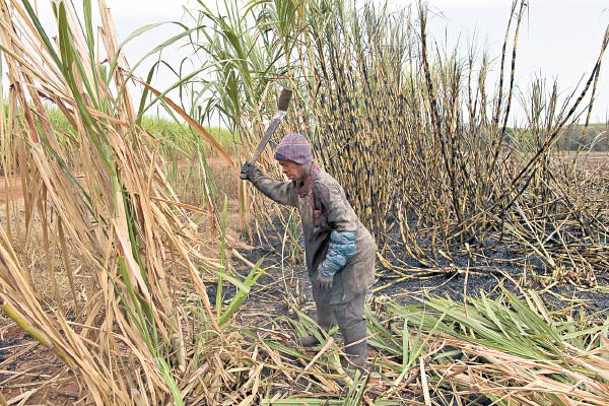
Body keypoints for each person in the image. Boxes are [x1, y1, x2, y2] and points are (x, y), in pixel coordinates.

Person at [240, 132, 376, 373]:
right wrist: (255, 177)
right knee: (321, 294)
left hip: (353, 254)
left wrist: (329, 267)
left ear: (300, 161)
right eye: (281, 166)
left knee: (347, 308)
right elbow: (278, 191)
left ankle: (358, 366)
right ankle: (322, 335)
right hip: (327, 251)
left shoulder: (324, 187)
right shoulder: (300, 186)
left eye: (285, 165)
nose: (283, 170)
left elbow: (346, 229)